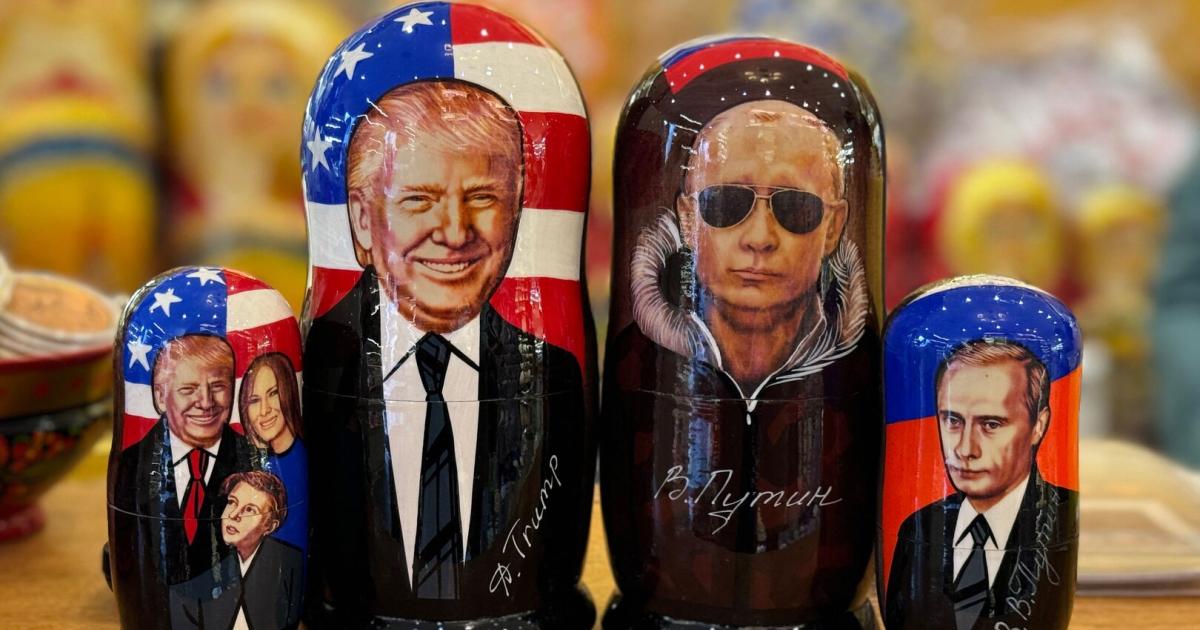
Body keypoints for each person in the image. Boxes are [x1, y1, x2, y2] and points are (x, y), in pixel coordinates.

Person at [304, 80, 586, 617]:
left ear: (516, 210)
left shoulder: (556, 375)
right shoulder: (318, 364)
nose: (455, 233)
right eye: (419, 200)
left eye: (482, 197)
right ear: (362, 220)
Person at [604, 98, 873, 609]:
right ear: (688, 218)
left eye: (795, 208)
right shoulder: (634, 363)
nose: (759, 239)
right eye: (726, 204)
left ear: (834, 227)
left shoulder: (857, 370)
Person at [885, 340, 1078, 630]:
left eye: (991, 424)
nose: (965, 449)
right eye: (953, 420)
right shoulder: (917, 526)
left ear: (1038, 425)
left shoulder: (1060, 515)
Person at [114, 333, 253, 586]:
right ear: (160, 397)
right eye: (188, 389)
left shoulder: (252, 459)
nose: (206, 403)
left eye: (218, 386)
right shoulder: (132, 464)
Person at [169, 471, 305, 629]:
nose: (233, 515)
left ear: (269, 526)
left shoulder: (289, 559)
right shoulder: (197, 557)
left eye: (249, 510)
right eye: (232, 502)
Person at [239, 351, 307, 549]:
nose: (264, 410)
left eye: (273, 393)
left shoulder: (299, 461)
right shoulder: (249, 465)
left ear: (288, 391)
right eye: (254, 400)